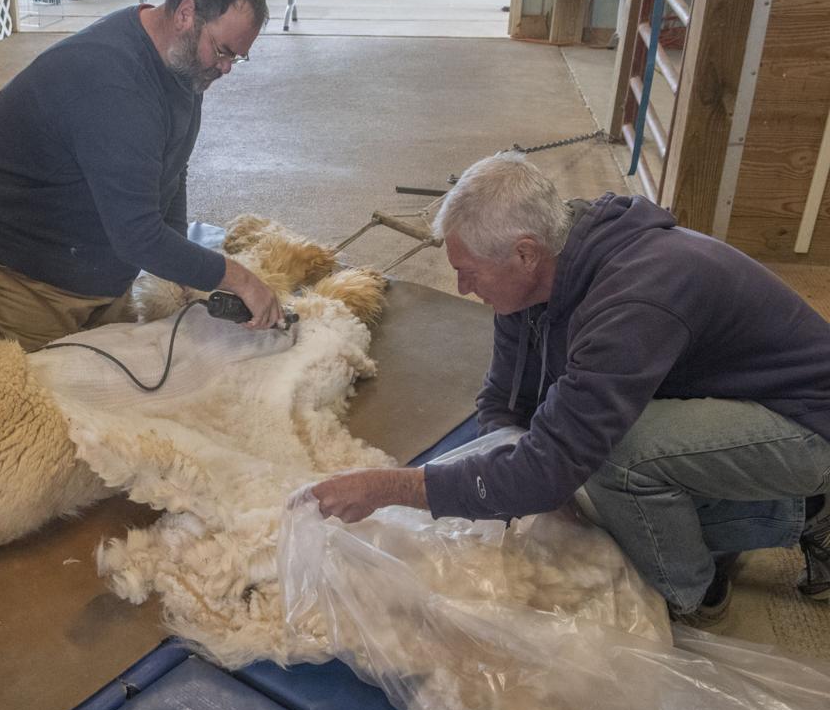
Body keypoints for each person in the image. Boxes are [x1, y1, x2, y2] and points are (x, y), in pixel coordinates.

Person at [304, 152, 830, 625]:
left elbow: (551, 467)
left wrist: (391, 488)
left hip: (803, 421)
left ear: (525, 254)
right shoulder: (541, 270)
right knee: (579, 493)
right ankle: (773, 513)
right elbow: (505, 400)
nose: (463, 288)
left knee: (616, 462)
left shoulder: (633, 304)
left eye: (469, 273)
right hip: (721, 395)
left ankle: (697, 591)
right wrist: (515, 466)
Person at [0, 0, 282, 352]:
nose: (227, 68)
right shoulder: (113, 82)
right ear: (185, 14)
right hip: (26, 278)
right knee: (34, 405)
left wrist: (179, 261)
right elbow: (138, 236)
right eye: (223, 51)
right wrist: (239, 279)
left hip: (95, 270)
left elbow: (172, 165)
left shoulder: (183, 62)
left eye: (238, 58)